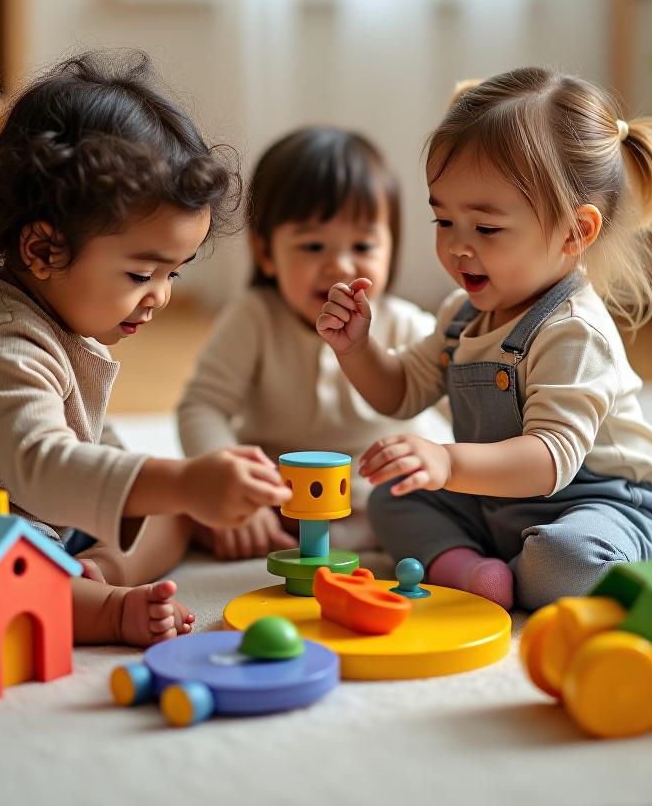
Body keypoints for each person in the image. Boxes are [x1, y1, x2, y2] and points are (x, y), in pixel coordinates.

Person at [0, 50, 290, 646]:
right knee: (24, 556)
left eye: (175, 274)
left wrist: (177, 497)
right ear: (42, 251)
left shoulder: (62, 320)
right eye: (142, 275)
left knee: (162, 507)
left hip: (32, 516)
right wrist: (186, 480)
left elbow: (89, 448)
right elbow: (43, 467)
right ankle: (105, 609)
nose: (161, 297)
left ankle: (101, 577)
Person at [316, 68, 652, 611]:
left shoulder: (573, 332)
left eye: (486, 229)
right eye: (443, 220)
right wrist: (357, 349)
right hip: (497, 502)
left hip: (601, 504)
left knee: (566, 559)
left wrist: (446, 460)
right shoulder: (460, 315)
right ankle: (473, 571)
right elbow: (400, 393)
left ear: (574, 232)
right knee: (390, 499)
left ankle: (542, 567)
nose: (458, 247)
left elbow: (549, 459)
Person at [177, 126, 451, 558]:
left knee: (441, 508)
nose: (339, 264)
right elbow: (202, 406)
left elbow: (464, 404)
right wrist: (229, 477)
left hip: (378, 499)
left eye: (362, 244)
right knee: (182, 505)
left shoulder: (406, 325)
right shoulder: (253, 318)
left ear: (391, 248)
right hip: (278, 497)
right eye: (312, 245)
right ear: (267, 254)